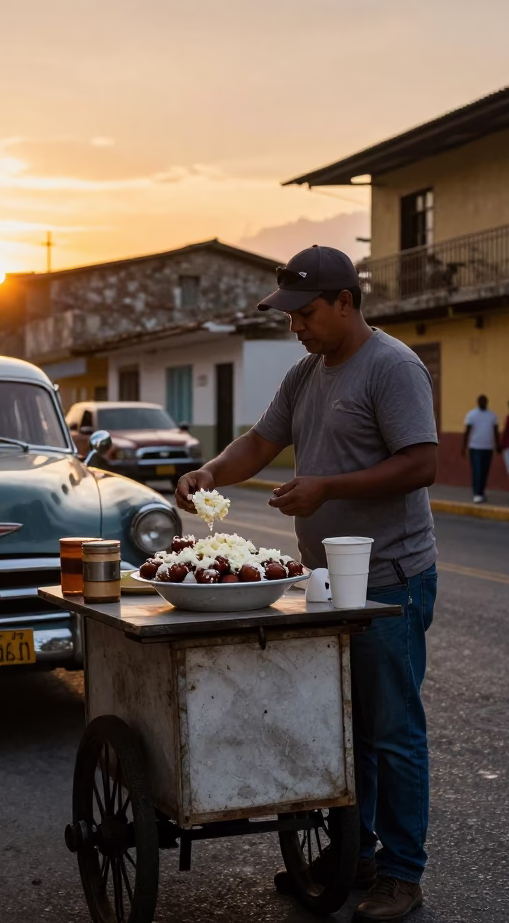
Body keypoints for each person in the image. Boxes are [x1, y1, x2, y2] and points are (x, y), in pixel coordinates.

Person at [176, 245, 438, 921]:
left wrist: (328, 486)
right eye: (289, 314)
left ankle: (402, 875)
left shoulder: (392, 367)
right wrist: (210, 473)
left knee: (392, 729)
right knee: (344, 726)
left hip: (391, 581)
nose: (296, 325)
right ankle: (356, 855)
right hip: (328, 583)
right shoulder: (306, 375)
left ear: (346, 302)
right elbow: (259, 444)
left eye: (306, 312)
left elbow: (421, 464)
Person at [461, 395, 498, 503]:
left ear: (487, 402)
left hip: (488, 447)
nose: (483, 403)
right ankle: (476, 493)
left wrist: (497, 445)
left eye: (484, 401)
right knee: (477, 471)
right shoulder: (472, 415)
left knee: (485, 472)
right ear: (478, 402)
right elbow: (467, 432)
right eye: (481, 401)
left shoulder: (492, 415)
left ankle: (482, 491)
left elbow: (495, 431)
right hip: (475, 447)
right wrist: (464, 447)